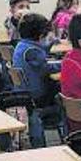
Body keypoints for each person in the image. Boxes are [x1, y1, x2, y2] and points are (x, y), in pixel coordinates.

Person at [12, 14, 61, 148]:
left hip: (24, 90)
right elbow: (46, 68)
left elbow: (40, 56)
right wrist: (66, 63)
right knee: (62, 87)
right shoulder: (32, 51)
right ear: (41, 35)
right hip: (36, 94)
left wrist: (49, 44)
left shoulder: (22, 45)